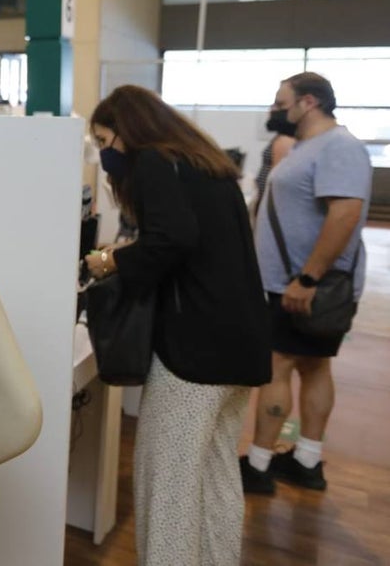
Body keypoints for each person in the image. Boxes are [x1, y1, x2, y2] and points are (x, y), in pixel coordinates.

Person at [83, 85, 270, 566]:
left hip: (195, 354)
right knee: (215, 475)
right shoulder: (207, 164)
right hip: (241, 344)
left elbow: (172, 239)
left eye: (105, 141)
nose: (105, 155)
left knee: (167, 483)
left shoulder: (153, 162)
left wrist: (111, 260)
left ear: (130, 130)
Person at [241, 72, 372, 495]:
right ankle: (306, 461)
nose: (276, 108)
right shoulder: (306, 146)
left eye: (282, 101)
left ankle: (259, 466)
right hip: (293, 281)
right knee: (315, 366)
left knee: (279, 366)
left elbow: (345, 214)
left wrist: (308, 278)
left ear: (309, 102)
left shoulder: (339, 147)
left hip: (302, 285)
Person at [251, 108, 296, 221]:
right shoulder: (280, 138)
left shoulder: (285, 141)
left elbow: (277, 178)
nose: (270, 110)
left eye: (278, 105)